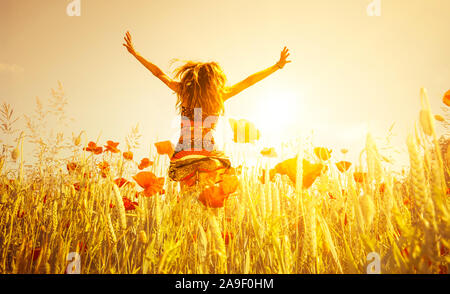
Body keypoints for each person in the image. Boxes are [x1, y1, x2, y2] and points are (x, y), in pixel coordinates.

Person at [123, 31, 291, 194]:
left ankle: (183, 215)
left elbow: (158, 73)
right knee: (210, 193)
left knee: (186, 197)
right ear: (213, 79)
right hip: (207, 151)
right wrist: (277, 66)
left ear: (193, 77)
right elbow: (249, 81)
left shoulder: (184, 91)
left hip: (184, 152)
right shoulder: (219, 95)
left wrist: (135, 53)